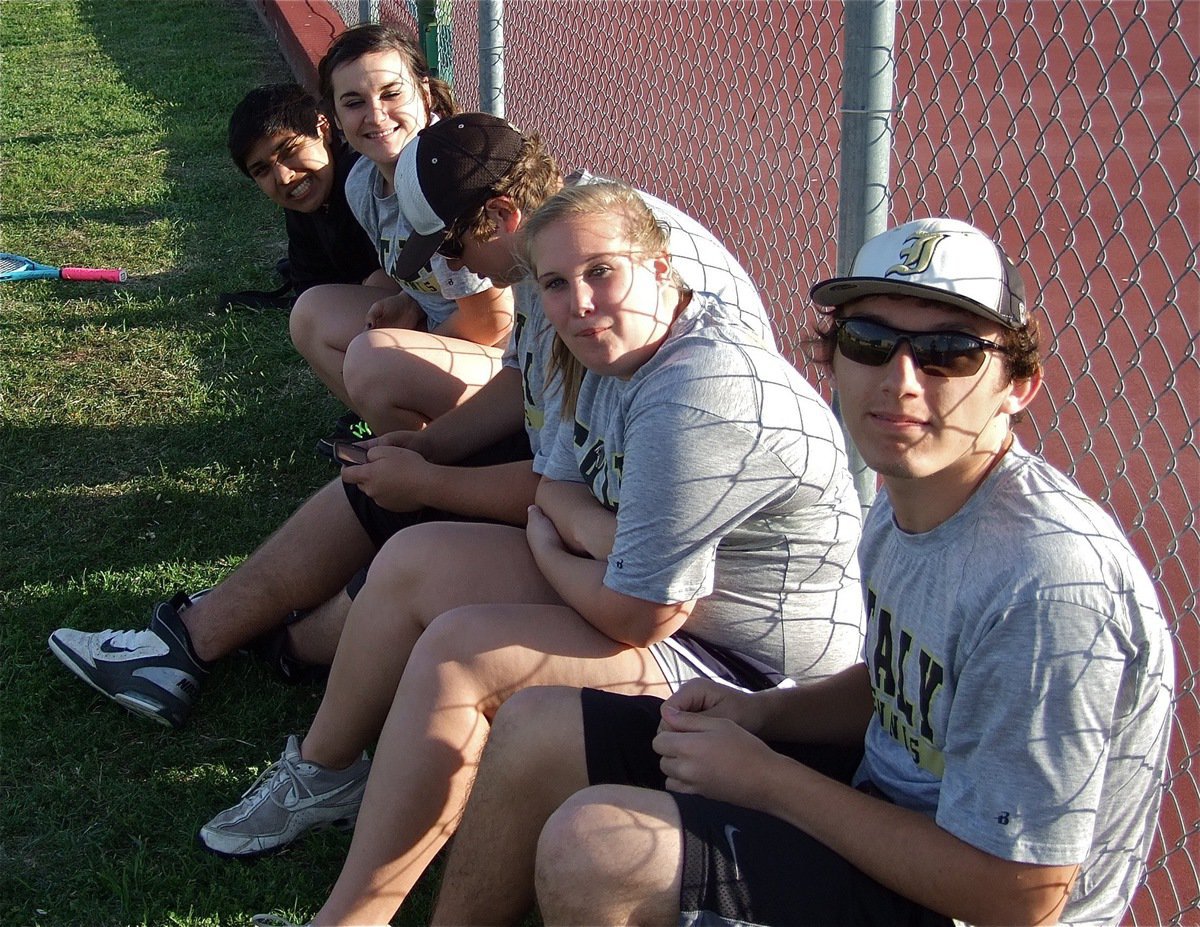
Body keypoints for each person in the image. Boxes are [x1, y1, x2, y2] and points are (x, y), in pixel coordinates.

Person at [430, 217, 1176, 927]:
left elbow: (1023, 895)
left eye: (949, 351)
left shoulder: (1045, 583)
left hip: (960, 898)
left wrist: (770, 781)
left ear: (1019, 384)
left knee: (600, 846)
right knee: (538, 721)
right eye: (869, 340)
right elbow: (899, 688)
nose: (902, 380)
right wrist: (761, 715)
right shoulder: (915, 489)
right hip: (880, 804)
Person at [221, 176, 864, 927]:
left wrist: (561, 545)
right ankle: (327, 784)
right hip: (648, 594)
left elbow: (639, 613)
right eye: (555, 282)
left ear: (662, 270)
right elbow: (554, 484)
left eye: (602, 272)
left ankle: (350, 917)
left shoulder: (696, 389)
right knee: (414, 561)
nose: (579, 302)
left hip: (748, 669)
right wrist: (582, 529)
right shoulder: (589, 344)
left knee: (463, 651)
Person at [43, 114, 787, 732]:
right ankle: (216, 639)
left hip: (693, 603)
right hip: (622, 528)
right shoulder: (565, 241)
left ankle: (277, 648)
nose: (458, 276)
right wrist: (427, 449)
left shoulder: (587, 283)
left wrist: (430, 477)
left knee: (416, 529)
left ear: (501, 215)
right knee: (389, 480)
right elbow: (530, 396)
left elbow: (559, 483)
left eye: (455, 251)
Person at [296, 24, 514, 438]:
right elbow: (427, 277)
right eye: (354, 102)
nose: (376, 115)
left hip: (509, 360)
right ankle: (398, 435)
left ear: (426, 96)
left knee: (372, 358)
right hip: (451, 333)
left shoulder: (455, 178)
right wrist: (407, 302)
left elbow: (494, 324)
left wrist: (409, 346)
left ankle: (449, 466)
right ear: (336, 121)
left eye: (391, 93)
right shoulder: (361, 181)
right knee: (311, 314)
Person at [225, 82, 382, 304]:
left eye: (289, 150)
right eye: (262, 170)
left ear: (323, 128)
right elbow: (309, 285)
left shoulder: (369, 183)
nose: (284, 177)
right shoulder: (302, 205)